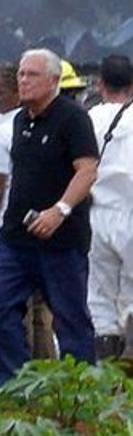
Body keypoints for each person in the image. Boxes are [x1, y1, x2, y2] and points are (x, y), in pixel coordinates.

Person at [0, 49, 98, 387]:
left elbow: (87, 170)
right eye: (20, 74)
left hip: (61, 241)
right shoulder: (20, 120)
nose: (23, 80)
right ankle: (15, 386)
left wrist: (60, 210)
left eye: (31, 74)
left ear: (53, 81)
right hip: (16, 238)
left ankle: (80, 393)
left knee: (70, 318)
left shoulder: (73, 119)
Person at [0, 63, 56, 359]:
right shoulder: (48, 124)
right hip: (44, 226)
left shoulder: (2, 130)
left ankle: (18, 373)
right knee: (42, 311)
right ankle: (47, 372)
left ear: (17, 94)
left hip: (10, 234)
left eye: (0, 92)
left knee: (13, 308)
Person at [86, 54, 133, 359]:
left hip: (95, 215)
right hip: (130, 214)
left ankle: (104, 373)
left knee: (99, 301)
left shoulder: (88, 118)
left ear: (100, 84)